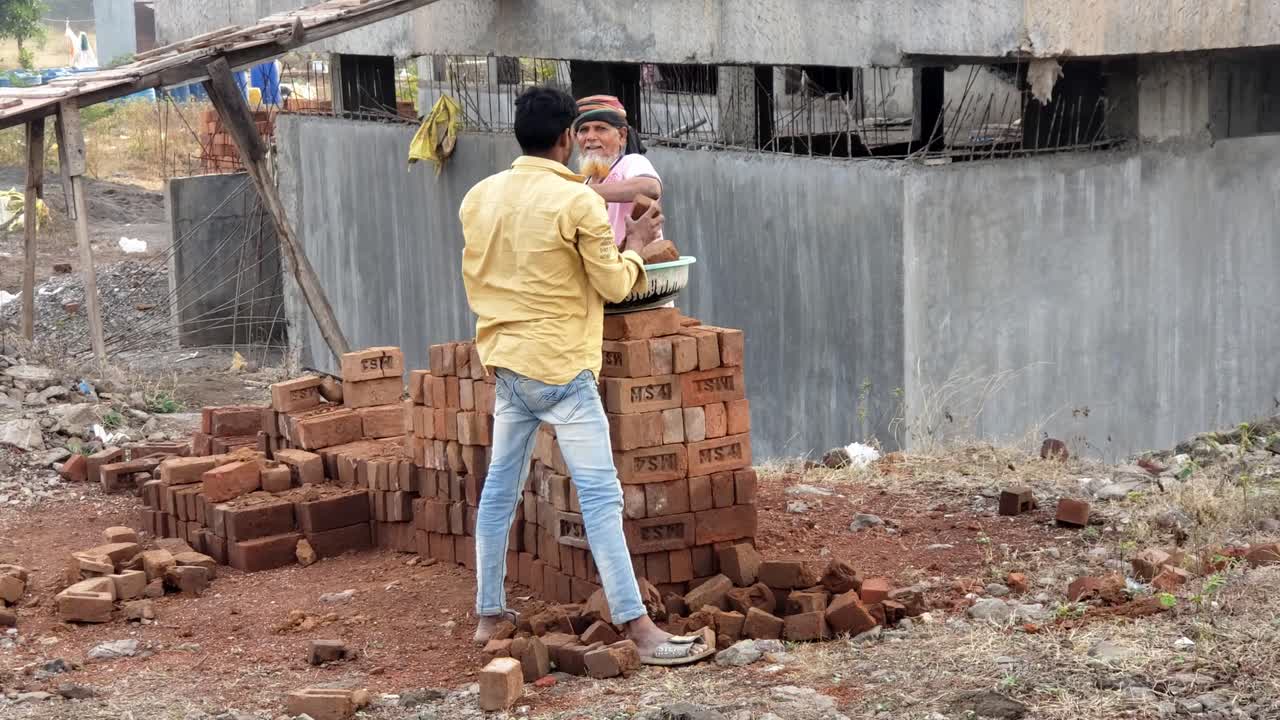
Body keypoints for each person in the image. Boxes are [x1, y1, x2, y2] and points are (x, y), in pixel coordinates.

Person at [459, 86, 710, 666]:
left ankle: (488, 612)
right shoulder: (578, 202)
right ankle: (639, 628)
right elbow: (617, 284)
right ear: (568, 138)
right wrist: (641, 246)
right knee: (601, 496)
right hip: (564, 369)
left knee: (500, 489)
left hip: (508, 363)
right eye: (582, 132)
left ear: (517, 135)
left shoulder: (478, 197)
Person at [573, 95, 663, 247]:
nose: (590, 137)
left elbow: (651, 187)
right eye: (583, 130)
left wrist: (581, 192)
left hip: (640, 265)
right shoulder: (582, 182)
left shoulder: (631, 162)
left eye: (601, 129)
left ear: (621, 135)